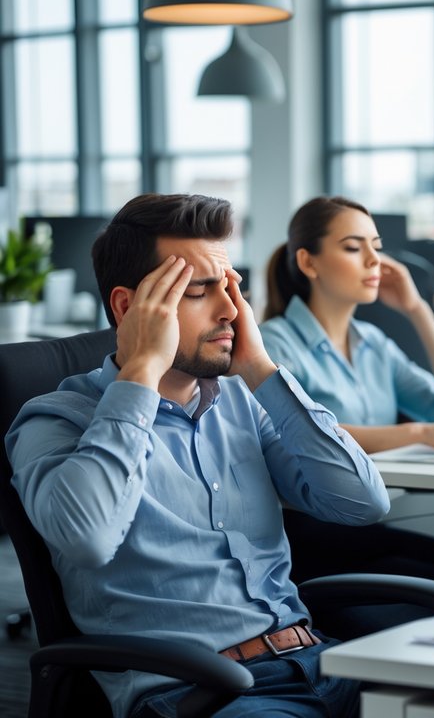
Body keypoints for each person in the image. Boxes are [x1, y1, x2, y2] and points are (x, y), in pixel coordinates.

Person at [5, 194, 385, 718]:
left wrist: (262, 371)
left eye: (232, 288)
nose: (231, 310)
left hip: (323, 663)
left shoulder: (242, 403)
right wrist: (141, 370)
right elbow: (88, 538)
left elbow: (363, 501)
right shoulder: (55, 419)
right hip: (203, 694)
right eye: (201, 291)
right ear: (127, 308)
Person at [260, 195, 434, 591]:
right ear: (308, 262)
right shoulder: (273, 344)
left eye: (376, 247)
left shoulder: (374, 343)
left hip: (371, 512)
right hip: (311, 523)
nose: (373, 260)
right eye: (352, 247)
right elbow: (299, 434)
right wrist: (418, 433)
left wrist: (419, 311)